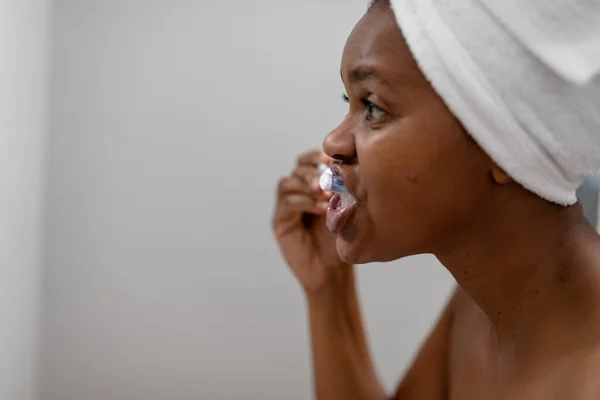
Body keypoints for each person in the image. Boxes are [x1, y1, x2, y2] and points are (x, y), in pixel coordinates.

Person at [272, 0, 600, 399]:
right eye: (349, 103)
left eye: (372, 106)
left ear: (500, 146)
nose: (334, 142)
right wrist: (328, 293)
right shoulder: (483, 308)